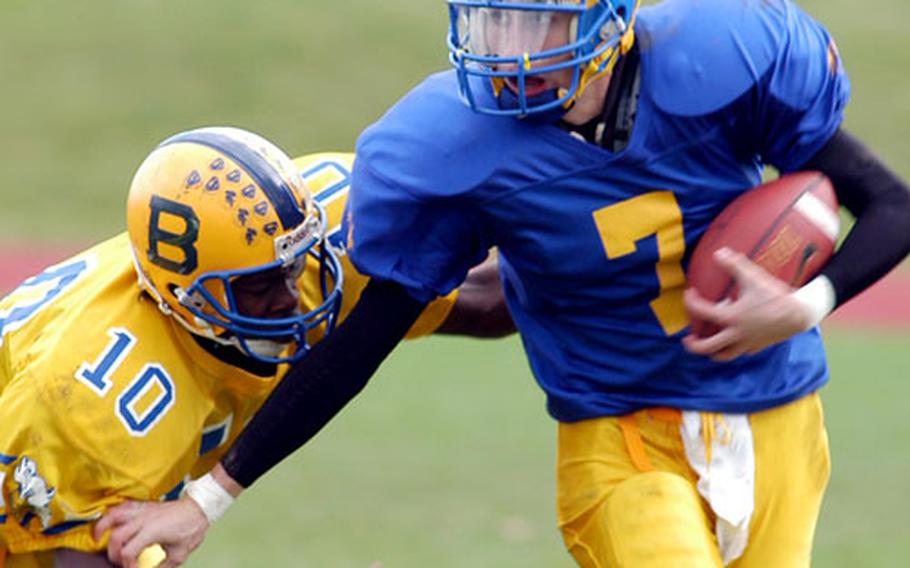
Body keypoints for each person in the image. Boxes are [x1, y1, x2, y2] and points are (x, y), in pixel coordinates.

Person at [101, 1, 910, 566]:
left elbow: (890, 205)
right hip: (620, 435)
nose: (510, 51)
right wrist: (208, 498)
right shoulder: (459, 144)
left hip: (780, 415)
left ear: (607, 20)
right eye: (493, 22)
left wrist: (803, 304)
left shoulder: (720, 62)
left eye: (536, 23)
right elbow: (369, 332)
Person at [0, 128, 511, 567]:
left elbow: (484, 302)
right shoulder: (91, 393)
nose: (291, 297)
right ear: (184, 292)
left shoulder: (317, 231)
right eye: (259, 284)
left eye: (291, 267)